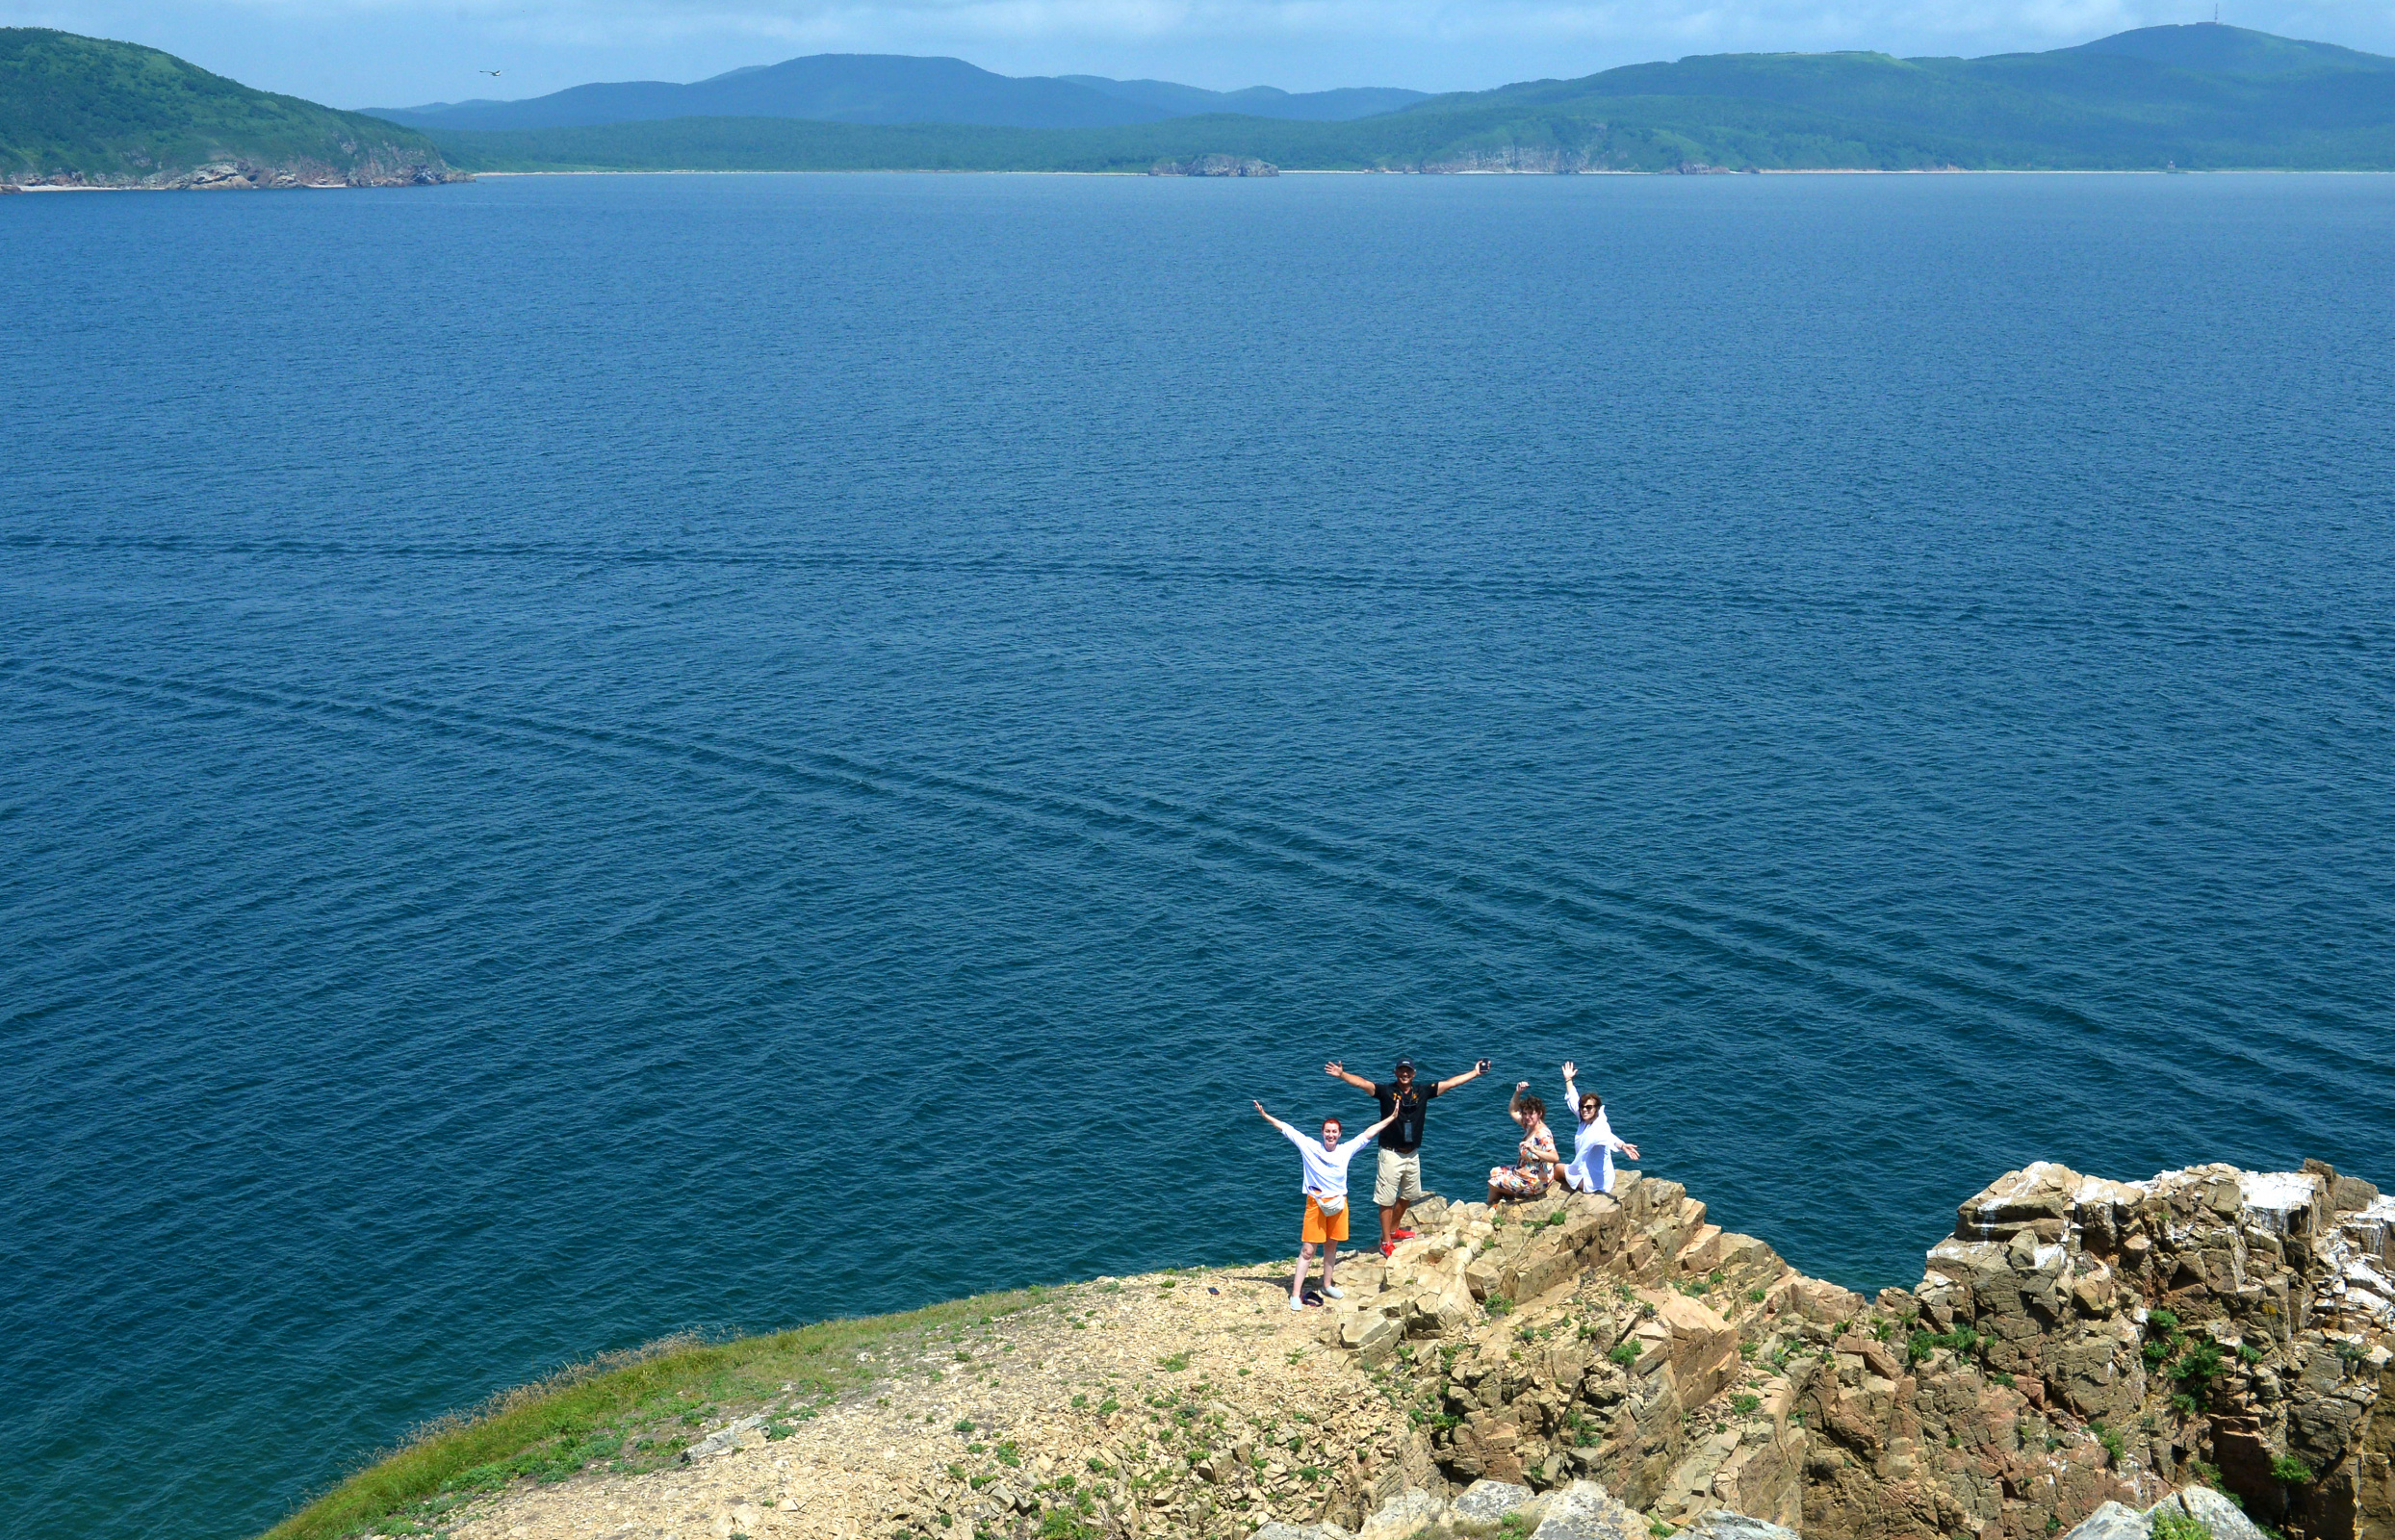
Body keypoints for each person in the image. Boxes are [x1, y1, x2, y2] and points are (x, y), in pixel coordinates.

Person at [1325, 1056, 1491, 1256]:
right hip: (1390, 1154)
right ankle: (1385, 1240)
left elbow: (1450, 1084)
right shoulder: (1387, 1093)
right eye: (1401, 1071)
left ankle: (1394, 1230)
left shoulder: (1422, 1092)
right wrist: (1342, 1075)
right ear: (1396, 1073)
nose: (1405, 1074)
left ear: (1414, 1074)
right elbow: (1363, 1084)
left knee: (1409, 1195)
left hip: (1412, 1154)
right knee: (1386, 1200)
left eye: (1408, 1071)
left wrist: (1474, 1073)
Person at [1254, 1098, 1399, 1311]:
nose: (1330, 1135)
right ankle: (1295, 1293)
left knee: (1332, 1246)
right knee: (1307, 1250)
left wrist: (1392, 1117)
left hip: (1339, 1204)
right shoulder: (1309, 1146)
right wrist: (1265, 1115)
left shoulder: (1346, 1150)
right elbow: (1286, 1128)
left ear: (1339, 1134)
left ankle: (1327, 1285)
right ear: (1322, 1133)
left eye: (1334, 1132)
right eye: (1327, 1131)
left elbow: (1369, 1132)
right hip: (1316, 1204)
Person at [1558, 1061, 1639, 1195]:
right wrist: (1568, 1079)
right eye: (1582, 1107)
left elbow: (1609, 1137)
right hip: (1598, 1175)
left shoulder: (1599, 1126)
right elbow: (1573, 1099)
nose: (1584, 1110)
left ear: (1596, 1109)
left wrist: (1622, 1145)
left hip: (1595, 1183)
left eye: (1589, 1107)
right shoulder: (1584, 1119)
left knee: (1557, 1169)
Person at [1487, 1081, 1560, 1203]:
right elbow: (1512, 1110)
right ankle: (1509, 1196)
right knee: (1494, 1172)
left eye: (1531, 1113)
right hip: (1523, 1172)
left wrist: (1533, 1150)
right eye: (1525, 1113)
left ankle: (1491, 1207)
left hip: (1534, 1181)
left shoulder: (1542, 1135)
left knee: (1493, 1183)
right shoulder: (1529, 1126)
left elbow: (1555, 1157)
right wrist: (1517, 1093)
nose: (1527, 1117)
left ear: (1539, 1113)